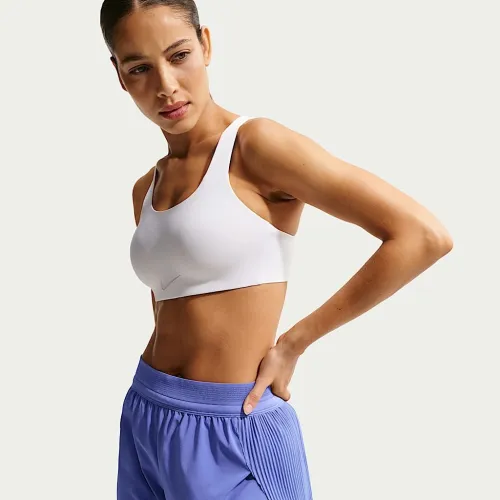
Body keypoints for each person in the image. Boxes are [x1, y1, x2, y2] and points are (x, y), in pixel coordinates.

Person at [100, 1, 453, 498]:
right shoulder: (146, 188)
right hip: (147, 413)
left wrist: (293, 344)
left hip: (235, 427)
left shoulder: (254, 147)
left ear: (205, 44)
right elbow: (170, 303)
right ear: (119, 75)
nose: (166, 85)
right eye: (139, 68)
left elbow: (422, 236)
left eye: (178, 55)